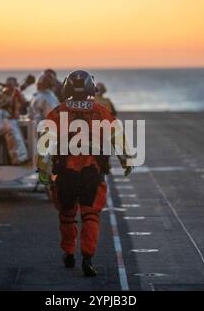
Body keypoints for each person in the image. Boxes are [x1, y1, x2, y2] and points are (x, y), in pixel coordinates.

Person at [38, 70, 132, 277]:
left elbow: (44, 145)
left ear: (67, 88)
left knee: (67, 216)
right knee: (90, 216)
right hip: (92, 174)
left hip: (65, 175)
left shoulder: (57, 112)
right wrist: (127, 161)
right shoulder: (101, 111)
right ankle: (88, 258)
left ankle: (69, 252)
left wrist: (43, 171)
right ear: (91, 87)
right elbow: (118, 137)